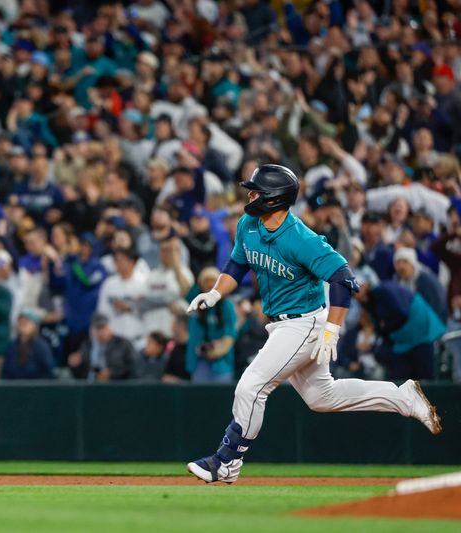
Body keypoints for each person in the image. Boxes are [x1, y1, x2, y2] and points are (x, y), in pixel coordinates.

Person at [185, 164, 442, 485]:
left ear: (274, 198)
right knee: (323, 397)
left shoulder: (301, 238)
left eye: (256, 191)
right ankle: (403, 397)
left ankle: (226, 461)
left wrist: (332, 329)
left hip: (304, 322)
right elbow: (236, 265)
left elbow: (343, 279)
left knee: (251, 386)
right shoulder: (248, 224)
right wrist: (214, 293)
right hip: (281, 324)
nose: (250, 195)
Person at [185, 267, 237, 384]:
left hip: (221, 363)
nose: (209, 284)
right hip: (198, 360)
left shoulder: (226, 305)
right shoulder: (196, 302)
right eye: (206, 281)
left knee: (219, 396)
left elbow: (230, 333)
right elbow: (183, 289)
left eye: (212, 281)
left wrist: (217, 350)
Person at [67, 313, 139, 382]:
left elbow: (135, 367)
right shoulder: (87, 345)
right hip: (93, 388)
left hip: (118, 387)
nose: (100, 332)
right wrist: (75, 366)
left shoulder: (123, 343)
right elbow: (81, 375)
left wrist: (112, 373)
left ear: (110, 328)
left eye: (103, 328)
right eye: (97, 328)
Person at [1, 308, 54, 380]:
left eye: (26, 322)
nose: (22, 324)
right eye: (20, 322)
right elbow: (5, 372)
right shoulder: (11, 346)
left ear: (34, 325)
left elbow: (48, 372)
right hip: (13, 388)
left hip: (35, 389)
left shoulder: (41, 346)